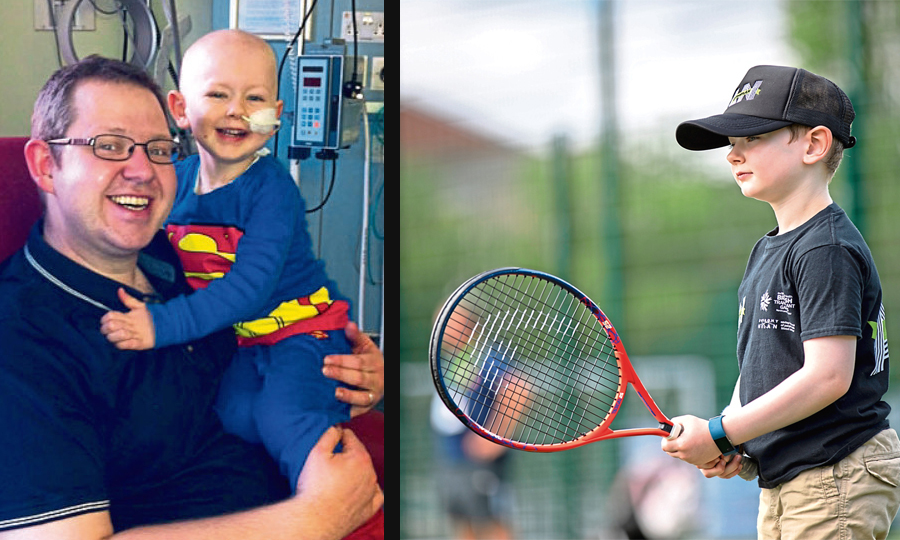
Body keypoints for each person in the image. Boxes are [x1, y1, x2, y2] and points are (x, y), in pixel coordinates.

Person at [0, 54, 383, 538]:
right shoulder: (22, 340)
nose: (143, 170)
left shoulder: (174, 255)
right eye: (111, 145)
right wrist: (316, 517)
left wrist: (346, 376)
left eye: (159, 149)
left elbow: (266, 342)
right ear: (45, 165)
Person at [98, 27, 371, 504]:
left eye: (255, 97)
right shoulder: (174, 182)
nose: (236, 110)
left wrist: (160, 326)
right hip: (239, 340)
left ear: (276, 117)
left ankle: (341, 504)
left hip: (301, 330)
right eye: (218, 94)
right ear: (181, 109)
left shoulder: (272, 191)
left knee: (283, 416)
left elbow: (249, 288)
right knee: (233, 415)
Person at [661, 65, 900, 539]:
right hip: (791, 478)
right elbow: (760, 365)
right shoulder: (772, 247)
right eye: (731, 143)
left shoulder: (824, 248)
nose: (732, 154)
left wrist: (720, 432)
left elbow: (828, 376)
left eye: (753, 138)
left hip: (835, 471)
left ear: (814, 144)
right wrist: (733, 437)